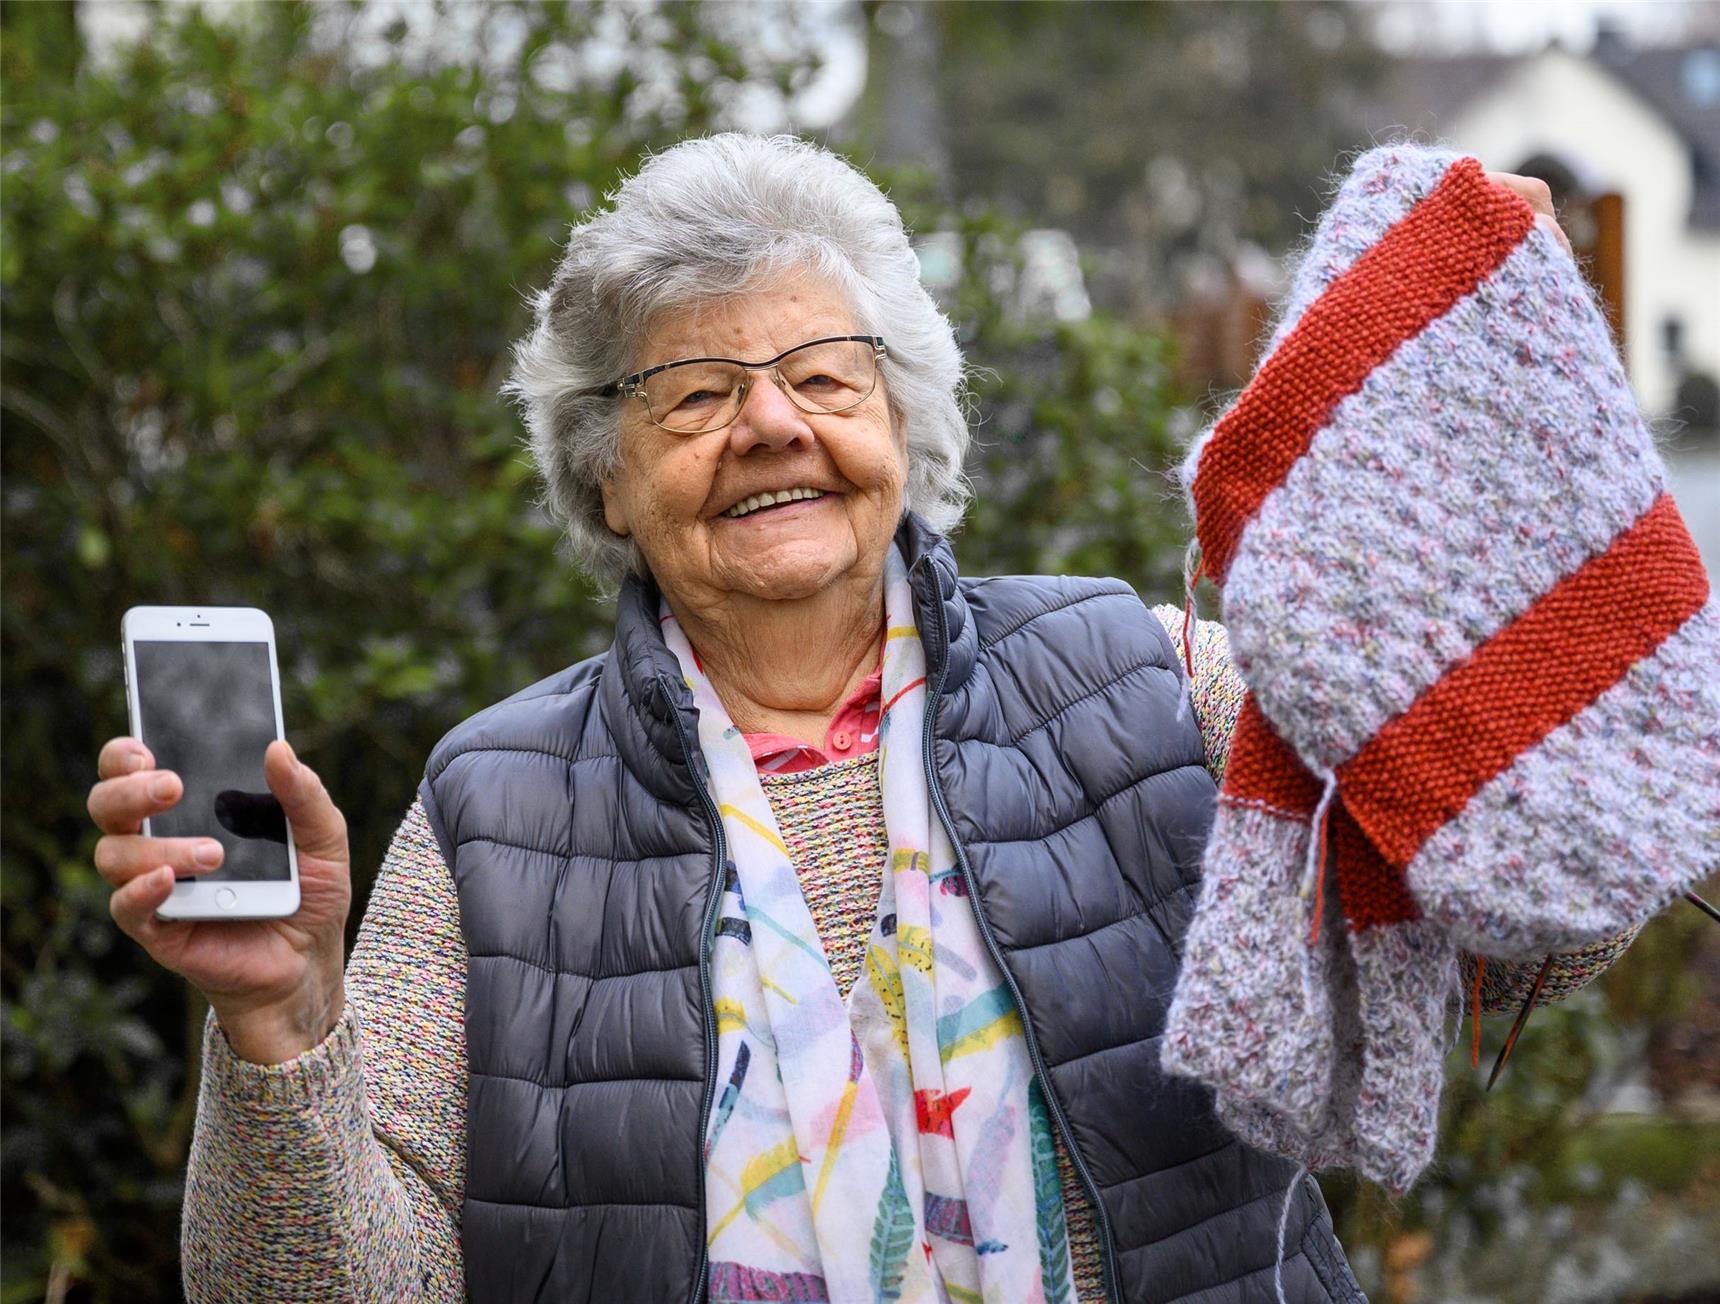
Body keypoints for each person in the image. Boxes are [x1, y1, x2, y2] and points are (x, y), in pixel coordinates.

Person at [87, 134, 1622, 1303]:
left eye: (822, 373)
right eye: (690, 397)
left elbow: (1531, 934)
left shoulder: (1153, 679)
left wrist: (1483, 516)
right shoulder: (493, 814)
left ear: (902, 423)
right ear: (605, 480)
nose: (769, 424)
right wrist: (280, 1028)